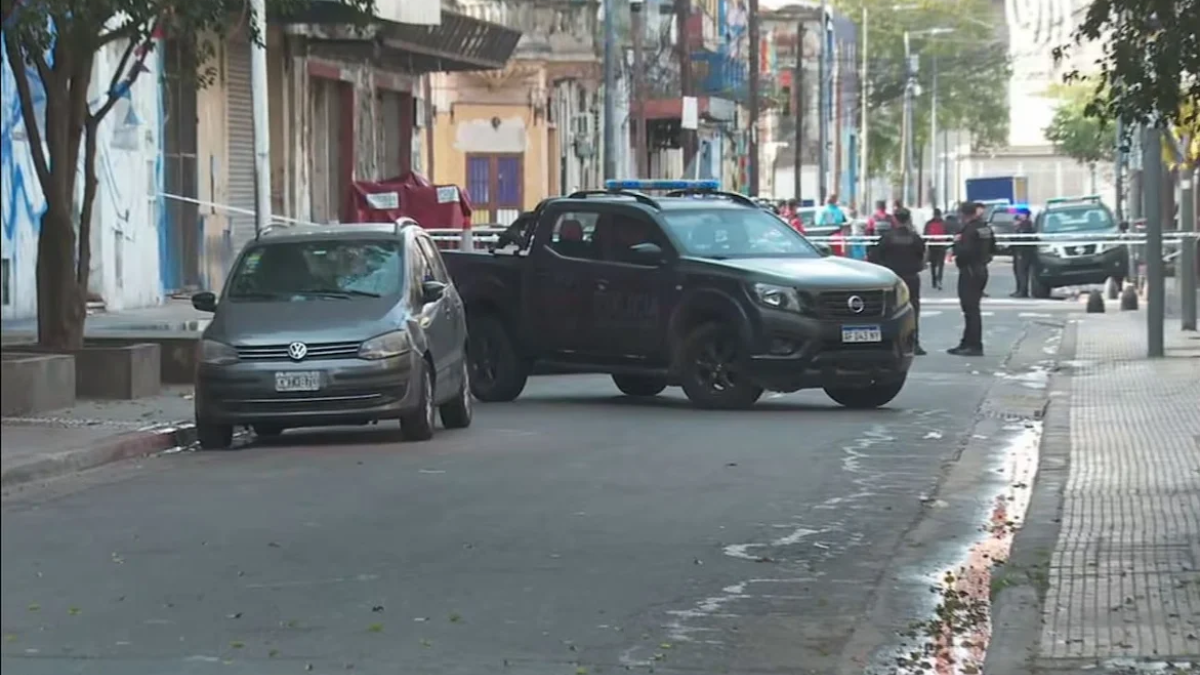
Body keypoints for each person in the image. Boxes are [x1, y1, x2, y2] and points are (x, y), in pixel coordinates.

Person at [869, 207, 927, 355]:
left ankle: (893, 344)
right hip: (912, 277)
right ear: (908, 219)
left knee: (891, 312)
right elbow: (923, 255)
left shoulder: (888, 237)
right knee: (913, 310)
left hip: (893, 279)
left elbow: (875, 256)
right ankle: (914, 343)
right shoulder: (915, 237)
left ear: (895, 219)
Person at [949, 201, 996, 356]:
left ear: (963, 214)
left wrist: (956, 245)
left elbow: (965, 252)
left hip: (969, 271)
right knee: (973, 308)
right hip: (981, 269)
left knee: (970, 310)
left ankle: (974, 345)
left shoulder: (968, 230)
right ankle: (967, 342)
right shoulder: (985, 227)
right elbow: (994, 248)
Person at [1010, 208, 1036, 297]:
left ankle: (1022, 291)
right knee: (1018, 271)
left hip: (1023, 251)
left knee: (1022, 272)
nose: (1019, 215)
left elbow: (1023, 239)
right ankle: (1019, 290)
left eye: (1021, 214)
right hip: (1018, 251)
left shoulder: (1026, 225)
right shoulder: (1020, 225)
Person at [923, 208, 948, 290]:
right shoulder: (942, 223)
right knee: (937, 264)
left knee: (937, 264)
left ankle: (937, 280)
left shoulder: (931, 223)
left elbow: (926, 234)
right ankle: (936, 280)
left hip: (937, 245)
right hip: (937, 245)